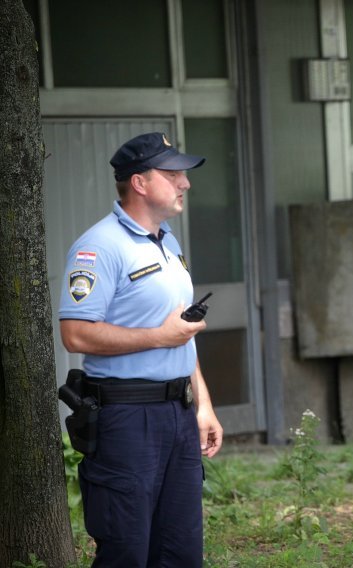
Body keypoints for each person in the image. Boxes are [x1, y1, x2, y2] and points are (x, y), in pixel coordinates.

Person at [58, 132, 223, 567]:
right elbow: (75, 334)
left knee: (181, 551)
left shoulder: (169, 243)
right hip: (127, 419)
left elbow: (180, 331)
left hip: (178, 415)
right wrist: (158, 337)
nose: (184, 183)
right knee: (126, 550)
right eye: (172, 175)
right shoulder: (98, 247)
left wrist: (202, 403)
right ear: (139, 183)